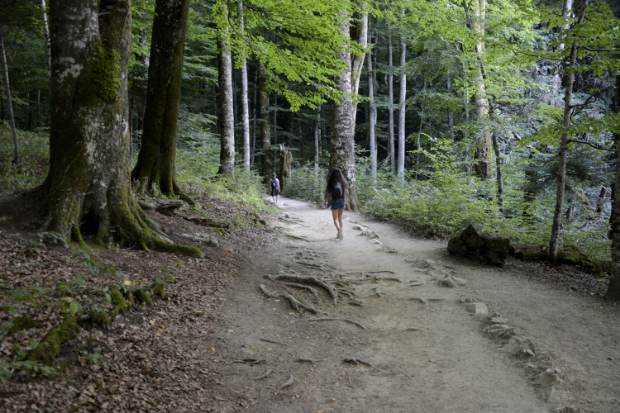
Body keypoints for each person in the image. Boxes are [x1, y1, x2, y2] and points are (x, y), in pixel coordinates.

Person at [324, 168, 348, 240]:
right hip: (342, 201)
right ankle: (341, 231)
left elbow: (327, 193)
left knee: (335, 219)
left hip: (334, 201)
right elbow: (347, 193)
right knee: (340, 218)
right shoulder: (343, 182)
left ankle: (338, 232)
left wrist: (326, 201)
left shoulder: (331, 182)